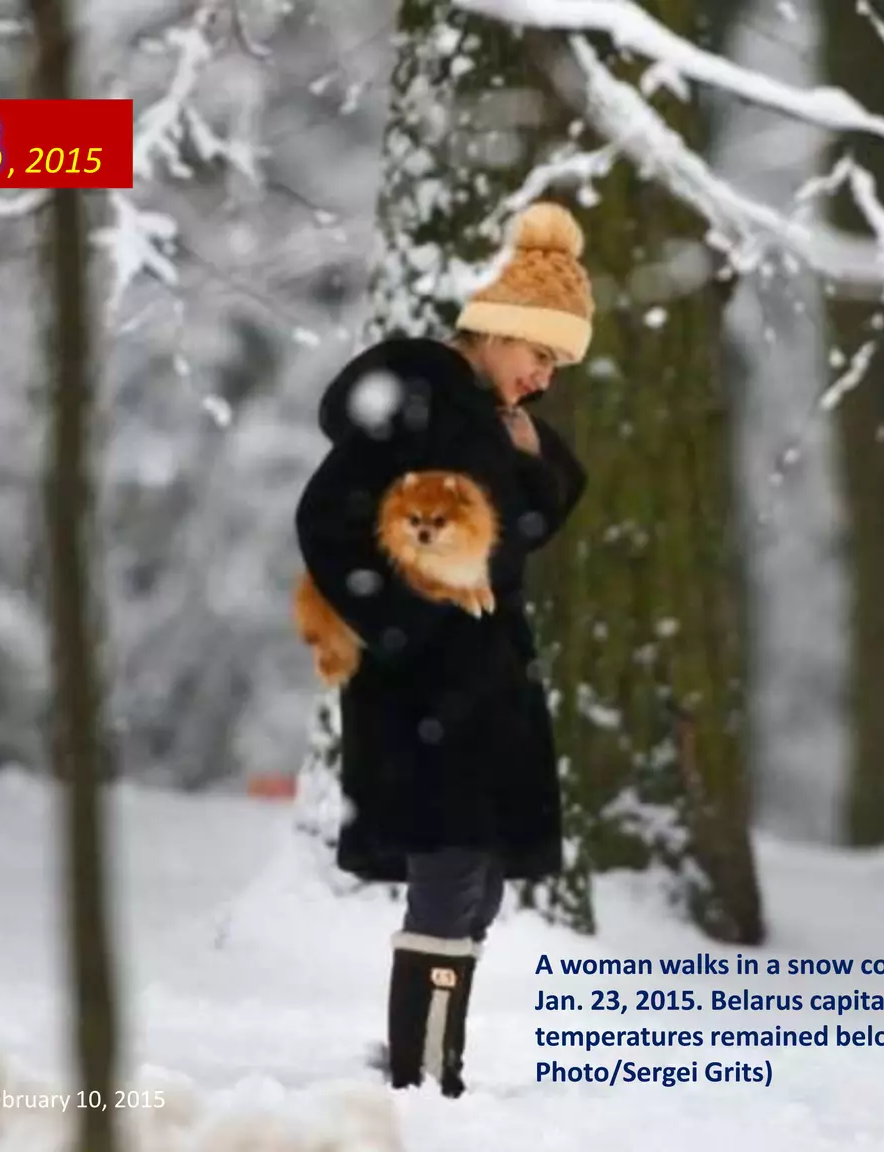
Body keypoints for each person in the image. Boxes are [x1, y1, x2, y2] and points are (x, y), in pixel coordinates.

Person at [292, 201, 593, 1097]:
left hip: (479, 686)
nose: (543, 377)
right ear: (499, 329)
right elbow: (327, 520)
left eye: (556, 365)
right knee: (450, 869)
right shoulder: (422, 403)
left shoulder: (481, 419)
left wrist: (532, 453)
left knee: (477, 881)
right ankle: (423, 1081)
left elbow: (518, 528)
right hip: (425, 689)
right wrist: (412, 611)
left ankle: (426, 1062)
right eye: (541, 354)